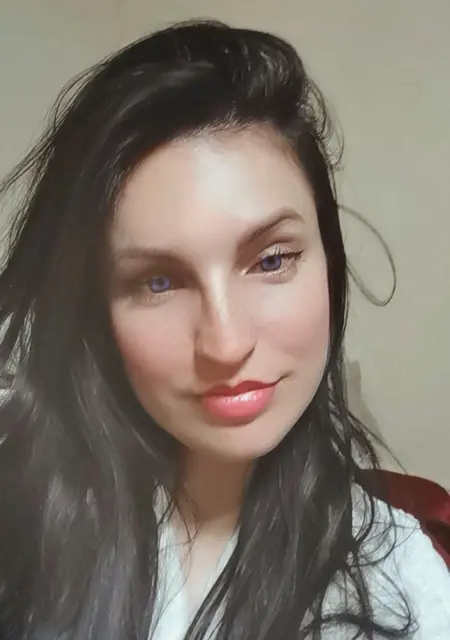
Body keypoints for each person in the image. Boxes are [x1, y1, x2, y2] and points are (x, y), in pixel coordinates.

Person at [0, 19, 448, 640]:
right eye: (159, 281)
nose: (227, 343)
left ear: (329, 260)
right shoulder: (22, 522)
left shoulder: (403, 588)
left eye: (271, 260)